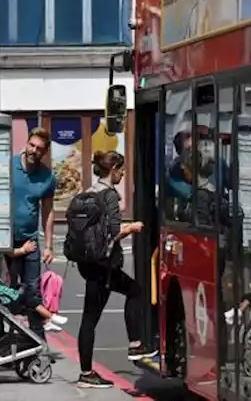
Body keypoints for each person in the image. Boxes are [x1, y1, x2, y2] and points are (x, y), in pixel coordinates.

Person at [75, 151, 151, 389]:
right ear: (114, 169)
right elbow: (115, 231)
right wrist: (133, 227)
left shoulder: (89, 191)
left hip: (87, 262)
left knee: (91, 316)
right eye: (122, 170)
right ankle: (135, 343)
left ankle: (87, 370)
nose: (123, 174)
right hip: (103, 264)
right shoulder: (108, 195)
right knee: (134, 292)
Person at [12, 127, 57, 337]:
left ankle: (38, 342)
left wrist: (49, 245)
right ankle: (4, 340)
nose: (34, 151)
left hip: (30, 241)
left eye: (39, 149)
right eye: (32, 145)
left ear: (44, 152)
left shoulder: (47, 177)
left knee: (33, 291)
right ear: (27, 143)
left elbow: (47, 212)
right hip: (5, 240)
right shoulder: (9, 166)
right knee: (5, 292)